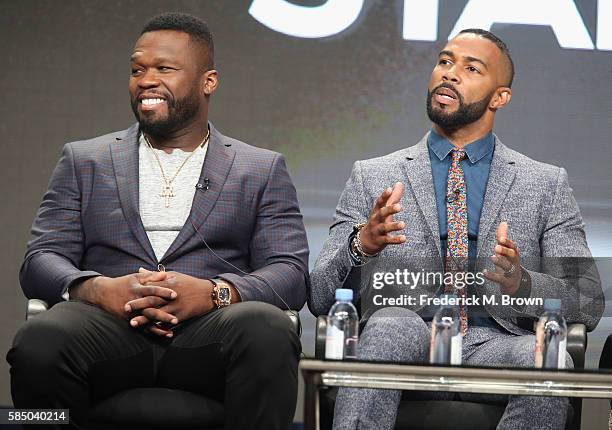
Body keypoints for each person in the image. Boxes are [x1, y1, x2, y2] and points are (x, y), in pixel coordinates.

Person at [8, 12, 309, 430]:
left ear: (209, 81)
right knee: (37, 341)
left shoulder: (260, 168)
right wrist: (97, 289)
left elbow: (291, 274)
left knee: (268, 331)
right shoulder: (84, 159)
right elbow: (40, 259)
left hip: (210, 335)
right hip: (107, 329)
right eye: (137, 70)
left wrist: (214, 294)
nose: (146, 80)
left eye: (164, 69)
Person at [310, 28, 603, 429]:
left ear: (500, 97)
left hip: (494, 344)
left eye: (471, 68)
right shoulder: (373, 175)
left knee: (548, 361)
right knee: (388, 327)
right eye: (444, 62)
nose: (449, 74)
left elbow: (586, 301)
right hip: (405, 337)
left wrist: (523, 284)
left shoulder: (545, 184)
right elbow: (320, 296)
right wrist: (360, 245)